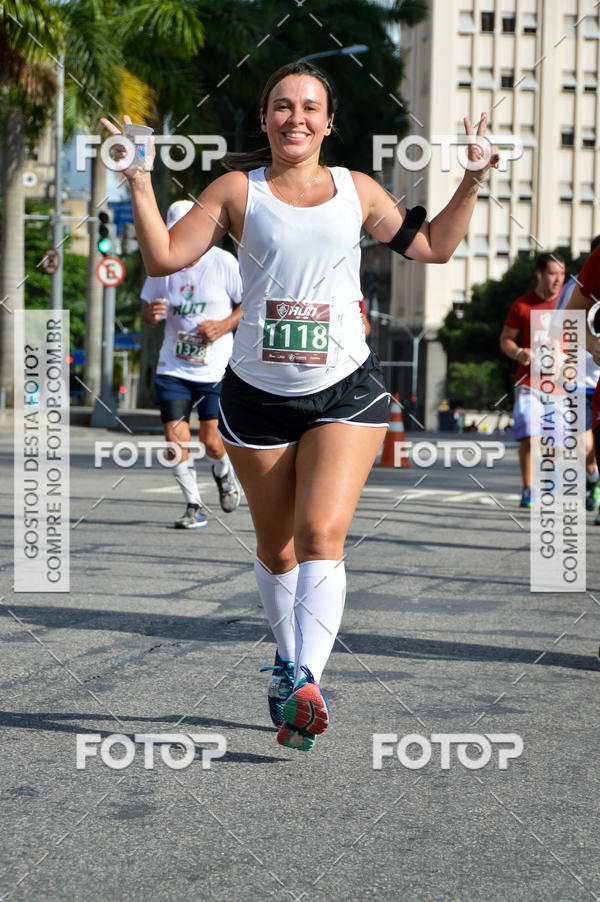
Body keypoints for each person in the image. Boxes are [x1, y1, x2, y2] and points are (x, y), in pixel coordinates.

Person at [102, 60, 498, 752]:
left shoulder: (357, 190)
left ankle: (308, 679)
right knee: (277, 547)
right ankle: (289, 665)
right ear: (264, 119)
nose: (296, 118)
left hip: (345, 389)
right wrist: (139, 181)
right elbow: (164, 257)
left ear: (329, 121)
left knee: (320, 535)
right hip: (256, 395)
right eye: (282, 107)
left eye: (310, 107)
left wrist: (470, 180)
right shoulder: (235, 190)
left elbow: (433, 247)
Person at [141, 200, 243, 529]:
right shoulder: (162, 265)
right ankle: (193, 505)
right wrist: (150, 314)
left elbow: (250, 303)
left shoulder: (223, 262)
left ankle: (224, 473)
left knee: (211, 441)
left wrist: (223, 325)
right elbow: (146, 310)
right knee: (175, 440)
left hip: (215, 369)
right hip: (173, 368)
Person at [500, 253, 566, 508]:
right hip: (528, 382)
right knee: (528, 433)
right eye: (552, 273)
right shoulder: (522, 306)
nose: (558, 279)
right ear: (539, 273)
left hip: (560, 385)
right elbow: (505, 339)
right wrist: (519, 352)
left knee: (556, 440)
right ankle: (528, 487)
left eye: (562, 274)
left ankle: (549, 475)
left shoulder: (568, 305)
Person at [556, 238, 600, 515]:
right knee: (585, 446)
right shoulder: (576, 286)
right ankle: (594, 479)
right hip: (582, 381)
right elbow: (563, 323)